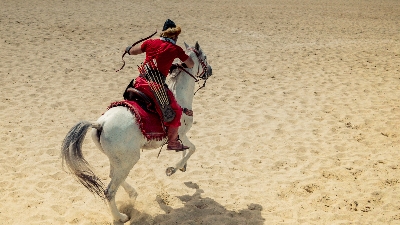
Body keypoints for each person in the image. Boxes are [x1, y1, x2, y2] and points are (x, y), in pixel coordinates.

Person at [125, 19, 194, 151]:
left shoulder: (150, 42)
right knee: (177, 112)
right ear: (174, 35)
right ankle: (173, 142)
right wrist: (182, 64)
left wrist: (128, 49)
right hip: (155, 87)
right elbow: (190, 64)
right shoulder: (175, 49)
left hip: (139, 82)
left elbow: (134, 51)